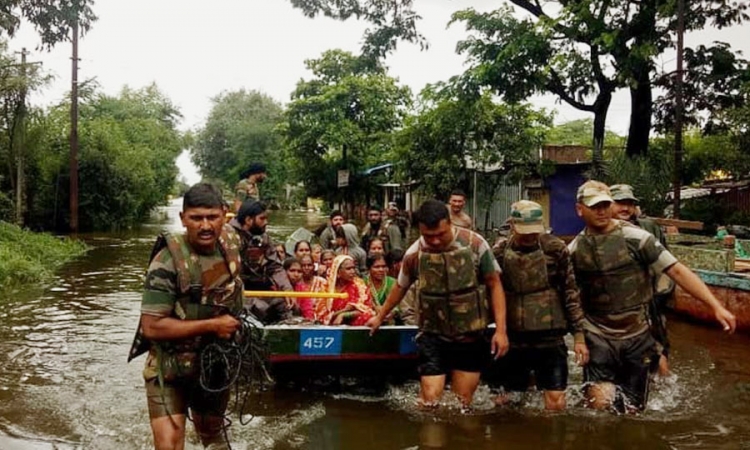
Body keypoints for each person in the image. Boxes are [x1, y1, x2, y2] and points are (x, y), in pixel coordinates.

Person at [569, 180, 736, 412]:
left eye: (606, 205)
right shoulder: (575, 250)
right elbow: (568, 295)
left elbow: (676, 270)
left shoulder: (637, 238)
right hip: (599, 335)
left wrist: (715, 306)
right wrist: (578, 337)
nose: (601, 211)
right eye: (594, 205)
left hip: (637, 333)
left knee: (633, 409)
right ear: (580, 209)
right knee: (600, 405)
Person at [127, 182, 243, 450]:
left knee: (213, 437)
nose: (205, 226)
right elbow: (152, 327)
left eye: (212, 217)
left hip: (213, 364)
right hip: (169, 369)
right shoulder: (166, 262)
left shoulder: (232, 243)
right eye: (196, 218)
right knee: (168, 446)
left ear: (224, 215)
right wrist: (214, 325)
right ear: (183, 219)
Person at [367, 199, 509, 408]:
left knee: (462, 404)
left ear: (449, 223)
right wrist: (380, 316)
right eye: (428, 236)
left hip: (469, 335)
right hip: (432, 334)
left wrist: (501, 331)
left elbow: (495, 285)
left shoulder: (476, 244)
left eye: (440, 234)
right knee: (429, 403)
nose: (434, 241)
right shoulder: (414, 254)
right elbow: (400, 286)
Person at [489, 200, 587, 411]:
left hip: (549, 339)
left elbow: (570, 292)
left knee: (555, 402)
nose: (529, 237)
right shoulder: (498, 252)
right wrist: (496, 331)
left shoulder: (556, 249)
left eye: (534, 232)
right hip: (513, 339)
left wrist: (579, 336)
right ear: (513, 226)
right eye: (524, 232)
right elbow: (490, 293)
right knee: (505, 403)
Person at [610, 183, 673, 376]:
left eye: (629, 203)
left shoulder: (649, 228)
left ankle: (664, 392)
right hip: (616, 310)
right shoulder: (598, 232)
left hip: (651, 303)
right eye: (620, 203)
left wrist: (660, 297)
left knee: (659, 351)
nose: (625, 208)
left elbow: (667, 267)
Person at [228, 200, 294, 324]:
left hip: (259, 287)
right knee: (259, 308)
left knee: (286, 305)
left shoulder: (263, 238)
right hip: (234, 292)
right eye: (262, 218)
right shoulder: (227, 237)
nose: (266, 222)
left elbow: (274, 266)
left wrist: (287, 288)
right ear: (248, 220)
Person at [315, 255, 376, 325]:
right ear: (338, 272)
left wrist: (344, 315)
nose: (353, 271)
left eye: (353, 268)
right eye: (348, 269)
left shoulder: (359, 284)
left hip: (354, 322)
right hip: (331, 325)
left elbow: (366, 309)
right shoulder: (326, 288)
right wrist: (344, 310)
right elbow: (322, 315)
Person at [295, 255, 329, 320]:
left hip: (320, 320)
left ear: (313, 267)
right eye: (303, 265)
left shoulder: (322, 282)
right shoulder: (295, 284)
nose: (306, 268)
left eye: (309, 265)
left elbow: (325, 306)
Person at [365, 253, 397, 320]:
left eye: (384, 266)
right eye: (376, 267)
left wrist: (392, 312)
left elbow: (398, 305)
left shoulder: (392, 282)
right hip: (367, 320)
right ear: (369, 269)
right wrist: (374, 308)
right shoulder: (362, 283)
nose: (381, 270)